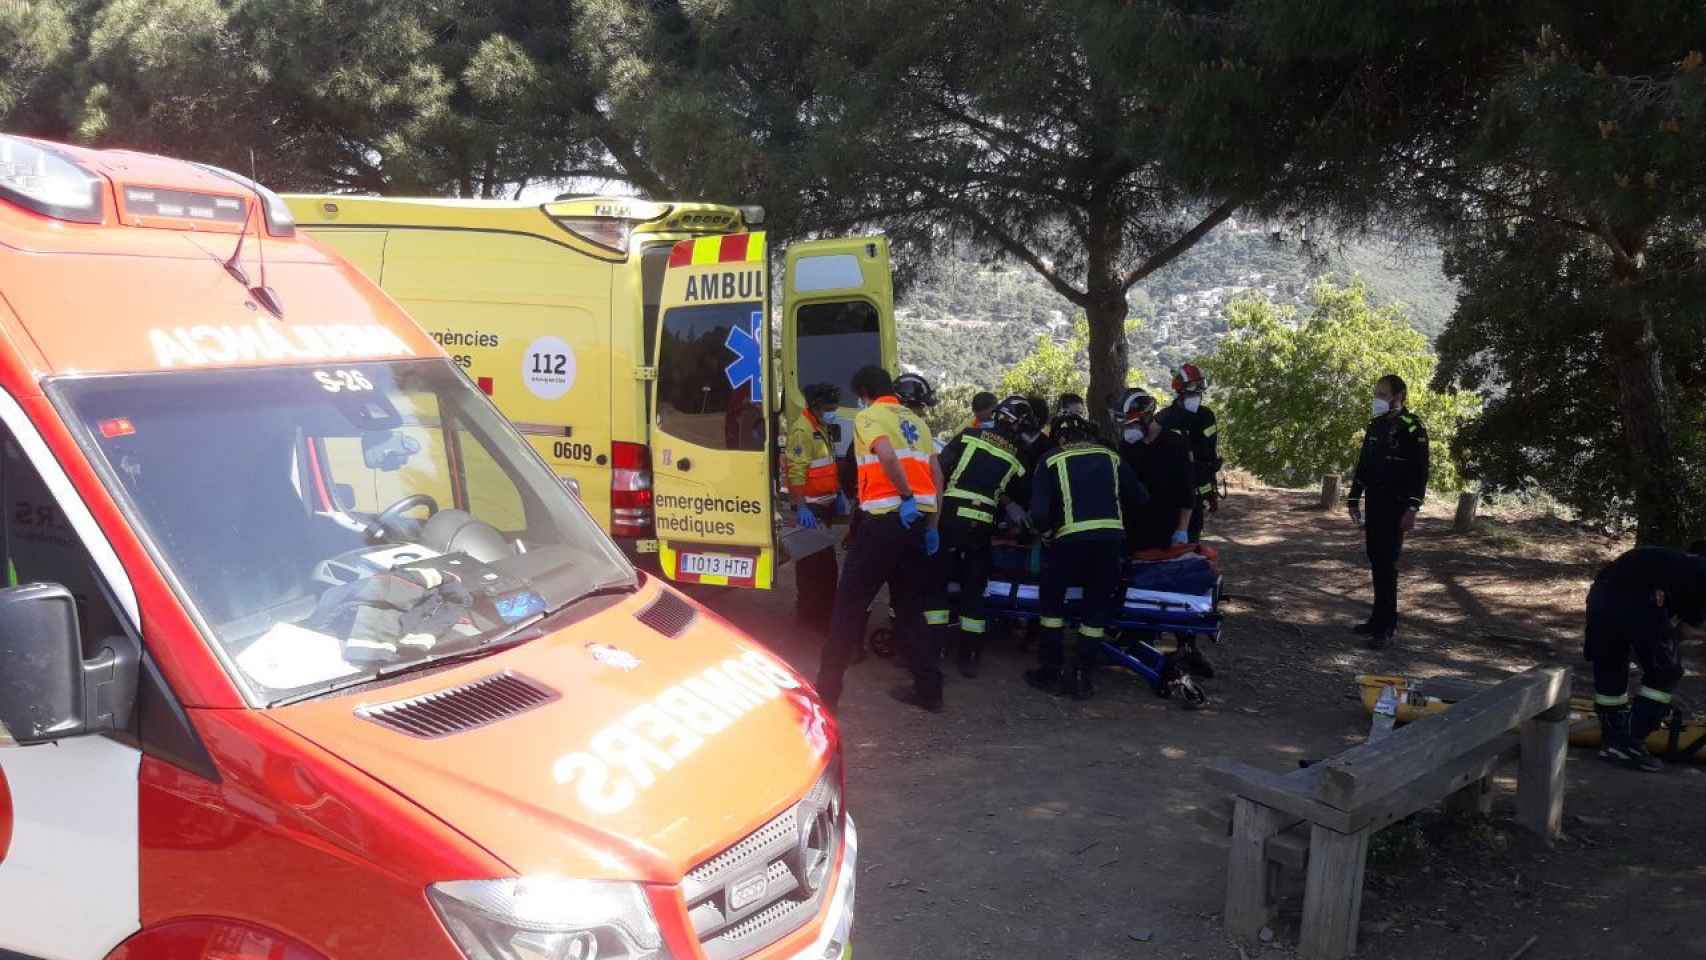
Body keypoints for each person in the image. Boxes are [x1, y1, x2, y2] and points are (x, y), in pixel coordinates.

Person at [819, 365, 944, 712]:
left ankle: (826, 697)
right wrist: (932, 524)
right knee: (909, 608)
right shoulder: (917, 423)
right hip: (916, 525)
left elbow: (886, 455)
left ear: (863, 392)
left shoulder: (870, 416)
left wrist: (903, 497)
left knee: (848, 606)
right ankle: (929, 691)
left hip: (883, 522)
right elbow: (937, 477)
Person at [1023, 412, 1148, 699]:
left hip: (1068, 542)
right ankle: (1082, 678)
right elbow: (1140, 497)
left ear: (1060, 438)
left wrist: (1044, 532)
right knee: (1095, 612)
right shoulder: (1111, 457)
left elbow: (1040, 513)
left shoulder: (1051, 459)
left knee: (1051, 607)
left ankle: (1050, 672)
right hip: (1109, 544)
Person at [923, 395, 1031, 678]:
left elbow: (939, 472)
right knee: (974, 590)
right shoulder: (1018, 455)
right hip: (981, 527)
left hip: (950, 519)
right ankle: (969, 657)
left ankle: (934, 649)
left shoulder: (970, 435)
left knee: (937, 583)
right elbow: (1019, 495)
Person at [1583, 544, 1706, 772]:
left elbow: (1679, 630)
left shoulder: (1674, 565)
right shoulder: (1697, 574)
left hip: (1600, 597)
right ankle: (1627, 742)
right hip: (1635, 600)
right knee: (1665, 671)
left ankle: (1612, 739)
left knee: (1612, 662)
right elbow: (1683, 630)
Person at [1345, 374, 1428, 648]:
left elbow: (1420, 473)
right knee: (1375, 559)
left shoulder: (1413, 427)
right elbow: (1364, 465)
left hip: (1397, 506)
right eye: (1376, 393)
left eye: (1383, 393)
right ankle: (1376, 620)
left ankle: (1387, 626)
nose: (1378, 398)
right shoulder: (1376, 425)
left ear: (1399, 396)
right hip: (1375, 502)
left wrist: (1412, 508)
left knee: (1387, 564)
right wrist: (1354, 499)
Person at [785, 383, 848, 637]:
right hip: (811, 508)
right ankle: (815, 621)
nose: (833, 411)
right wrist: (801, 507)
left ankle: (811, 617)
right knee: (819, 568)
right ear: (816, 405)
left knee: (816, 566)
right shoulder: (803, 430)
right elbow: (795, 471)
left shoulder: (819, 427)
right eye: (830, 408)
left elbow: (827, 465)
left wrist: (838, 492)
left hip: (825, 504)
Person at [1114, 388, 1194, 550]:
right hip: (1134, 529)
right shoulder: (1126, 447)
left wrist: (1182, 529)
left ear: (1147, 416)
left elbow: (1187, 490)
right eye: (1124, 425)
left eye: (1131, 424)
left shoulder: (1176, 443)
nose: (1128, 430)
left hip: (1169, 527)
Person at [1156, 364, 1222, 543]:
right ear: (1181, 391)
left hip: (1197, 496)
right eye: (1194, 390)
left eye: (1200, 390)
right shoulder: (1164, 419)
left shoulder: (1206, 416)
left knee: (1191, 543)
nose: (1198, 395)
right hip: (1170, 495)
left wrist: (1211, 493)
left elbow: (1210, 456)